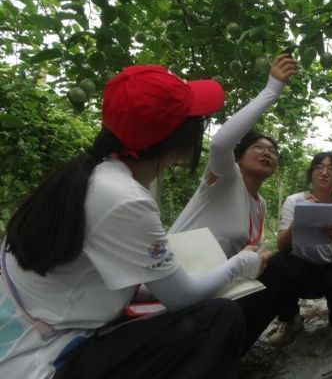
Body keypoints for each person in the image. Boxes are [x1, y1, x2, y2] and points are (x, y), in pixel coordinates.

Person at [0, 65, 266, 379]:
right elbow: (181, 297)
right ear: (178, 142)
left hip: (31, 333)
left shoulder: (86, 175)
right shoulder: (125, 198)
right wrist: (241, 263)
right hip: (43, 358)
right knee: (218, 319)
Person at [169, 54, 297, 352]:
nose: (266, 152)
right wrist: (272, 89)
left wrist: (262, 255)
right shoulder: (226, 177)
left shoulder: (260, 203)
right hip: (178, 279)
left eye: (272, 151)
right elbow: (220, 142)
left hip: (216, 284)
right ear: (238, 157)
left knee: (282, 268)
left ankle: (227, 353)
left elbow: (247, 250)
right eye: (258, 147)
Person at [265, 152, 332, 347]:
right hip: (299, 269)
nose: (324, 173)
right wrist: (299, 218)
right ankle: (290, 319)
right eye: (319, 167)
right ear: (311, 174)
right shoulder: (294, 201)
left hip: (331, 270)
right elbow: (282, 246)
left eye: (331, 169)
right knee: (277, 262)